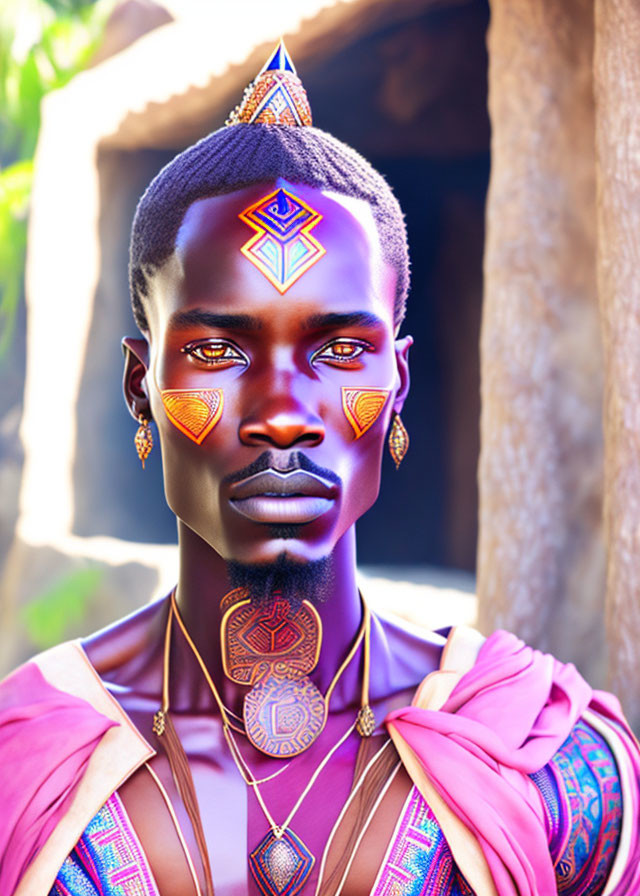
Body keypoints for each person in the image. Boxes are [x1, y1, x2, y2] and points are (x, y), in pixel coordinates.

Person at [1, 41, 639, 896]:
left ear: (398, 386)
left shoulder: (554, 772)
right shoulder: (21, 768)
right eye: (219, 348)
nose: (283, 413)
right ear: (138, 386)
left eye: (340, 350)